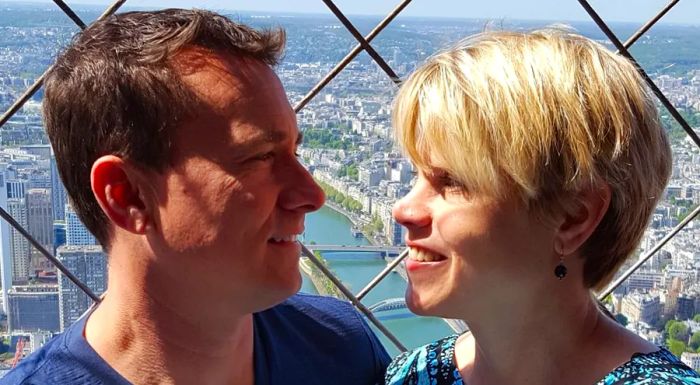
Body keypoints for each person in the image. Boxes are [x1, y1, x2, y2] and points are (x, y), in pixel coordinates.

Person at [1, 9, 390, 385]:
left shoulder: (345, 346)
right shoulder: (336, 350)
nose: (312, 195)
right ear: (127, 195)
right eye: (260, 157)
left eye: (295, 153)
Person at [385, 29, 700, 384]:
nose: (403, 209)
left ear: (572, 218)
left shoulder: (417, 376)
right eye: (416, 175)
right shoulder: (410, 373)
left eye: (453, 181)